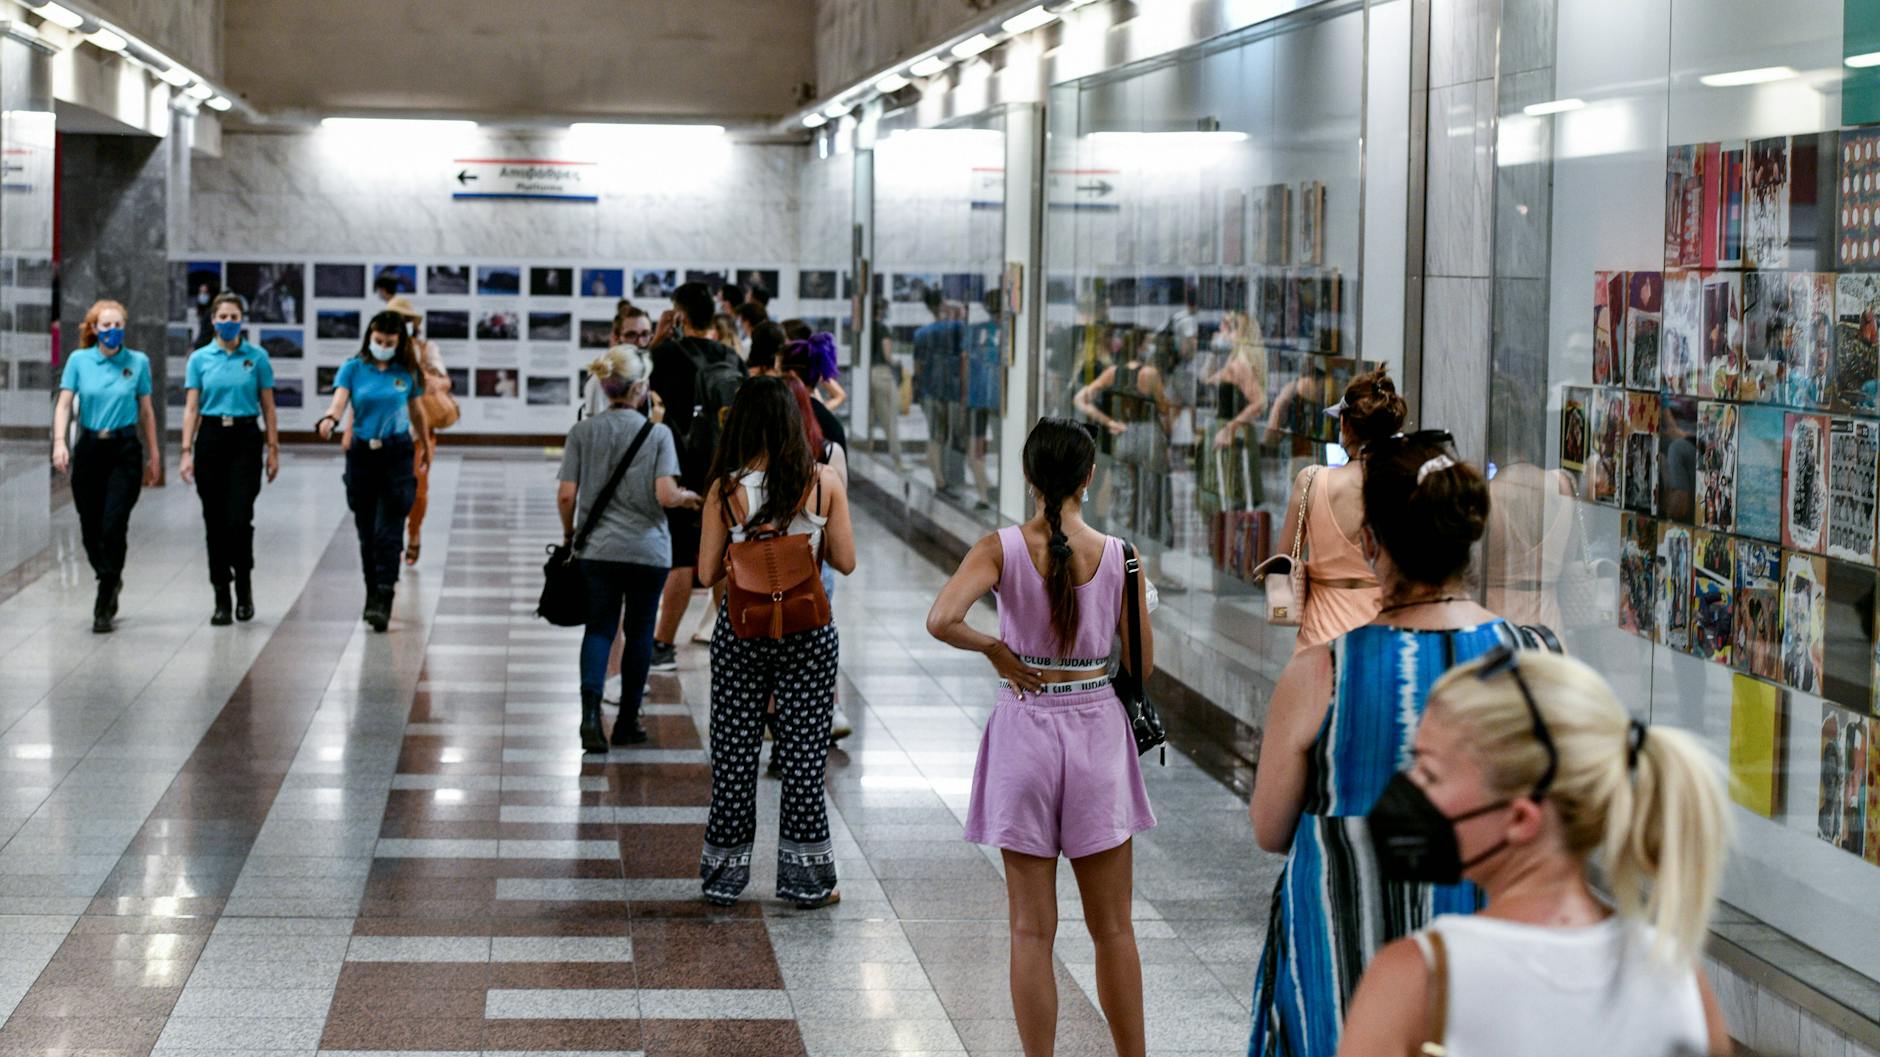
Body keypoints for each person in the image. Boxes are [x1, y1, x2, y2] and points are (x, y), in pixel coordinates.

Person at [1336, 650, 1732, 1057]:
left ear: (1521, 818)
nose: (1408, 788)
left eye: (1429, 774)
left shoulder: (1417, 979)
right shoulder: (1677, 975)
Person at [1246, 430, 1503, 1057]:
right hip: (1482, 953)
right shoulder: (1530, 657)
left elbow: (1270, 828)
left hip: (1340, 954)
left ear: (1369, 543)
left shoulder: (1322, 670)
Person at [926, 418, 1154, 1057]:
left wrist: (997, 649)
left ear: (1029, 477)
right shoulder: (1121, 556)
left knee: (1030, 931)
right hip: (1097, 733)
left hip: (1024, 728)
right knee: (1113, 930)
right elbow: (1142, 664)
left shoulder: (998, 548)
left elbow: (942, 618)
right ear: (1089, 477)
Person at [696, 376, 856, 908]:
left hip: (742, 631)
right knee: (804, 760)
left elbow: (704, 573)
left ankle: (723, 879)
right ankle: (807, 882)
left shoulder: (724, 490)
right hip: (808, 633)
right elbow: (846, 561)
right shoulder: (823, 481)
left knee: (734, 757)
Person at [558, 345, 703, 753]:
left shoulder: (582, 432)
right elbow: (665, 494)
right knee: (639, 633)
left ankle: (590, 715)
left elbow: (566, 495)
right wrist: (688, 498)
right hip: (647, 551)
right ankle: (627, 722)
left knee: (600, 628)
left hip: (597, 551)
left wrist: (570, 535)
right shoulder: (658, 434)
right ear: (640, 387)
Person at [315, 311, 432, 632]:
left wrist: (425, 444)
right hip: (362, 456)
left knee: (388, 531)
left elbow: (417, 411)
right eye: (378, 340)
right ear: (369, 337)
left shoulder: (407, 372)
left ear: (399, 343)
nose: (382, 346)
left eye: (389, 342)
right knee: (367, 533)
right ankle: (371, 594)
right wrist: (330, 419)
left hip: (397, 455)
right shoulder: (353, 368)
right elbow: (339, 402)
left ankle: (384, 596)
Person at [1274, 366, 1405, 651]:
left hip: (1320, 637)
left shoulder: (1310, 481)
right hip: (1381, 634)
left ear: (1344, 425)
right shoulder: (1404, 486)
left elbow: (1283, 558)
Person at [647, 282, 742, 672]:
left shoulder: (666, 354)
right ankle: (730, 639)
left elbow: (638, 382)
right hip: (726, 468)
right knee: (722, 554)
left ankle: (663, 644)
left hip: (682, 466)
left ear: (679, 315)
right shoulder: (730, 356)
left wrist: (657, 338)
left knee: (682, 559)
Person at [52, 300, 159, 633]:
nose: (113, 331)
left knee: (114, 522)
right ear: (94, 329)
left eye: (118, 325)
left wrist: (154, 454)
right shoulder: (79, 360)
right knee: (90, 525)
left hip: (124, 450)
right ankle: (107, 573)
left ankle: (106, 593)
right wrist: (59, 442)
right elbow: (64, 404)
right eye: (106, 325)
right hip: (89, 449)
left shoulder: (138, 362)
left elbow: (146, 411)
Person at [179, 292, 280, 625]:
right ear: (213, 320)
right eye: (222, 317)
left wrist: (273, 448)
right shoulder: (199, 359)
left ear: (242, 320)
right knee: (215, 521)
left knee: (239, 518)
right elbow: (191, 408)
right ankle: (221, 594)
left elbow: (268, 407)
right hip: (211, 438)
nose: (228, 322)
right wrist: (185, 451)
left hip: (245, 439)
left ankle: (244, 587)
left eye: (234, 317)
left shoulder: (257, 357)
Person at [1073, 328, 1169, 545]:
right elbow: (1164, 407)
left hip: (1124, 435)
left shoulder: (1112, 372)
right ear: (1140, 347)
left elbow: (1080, 399)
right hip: (1149, 435)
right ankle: (1150, 551)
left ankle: (1122, 549)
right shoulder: (1151, 374)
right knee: (1153, 495)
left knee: (1125, 494)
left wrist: (1108, 422)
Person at [384, 296, 445, 566]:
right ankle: (393, 537)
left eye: (404, 320)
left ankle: (415, 531)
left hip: (419, 433)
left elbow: (443, 381)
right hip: (386, 433)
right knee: (389, 491)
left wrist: (421, 374)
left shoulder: (425, 348)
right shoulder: (378, 351)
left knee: (418, 490)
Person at [912, 288, 966, 495]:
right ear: (943, 303)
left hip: (929, 390)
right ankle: (953, 476)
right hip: (952, 390)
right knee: (953, 434)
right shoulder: (957, 327)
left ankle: (939, 479)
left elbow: (917, 367)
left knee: (935, 435)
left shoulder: (921, 334)